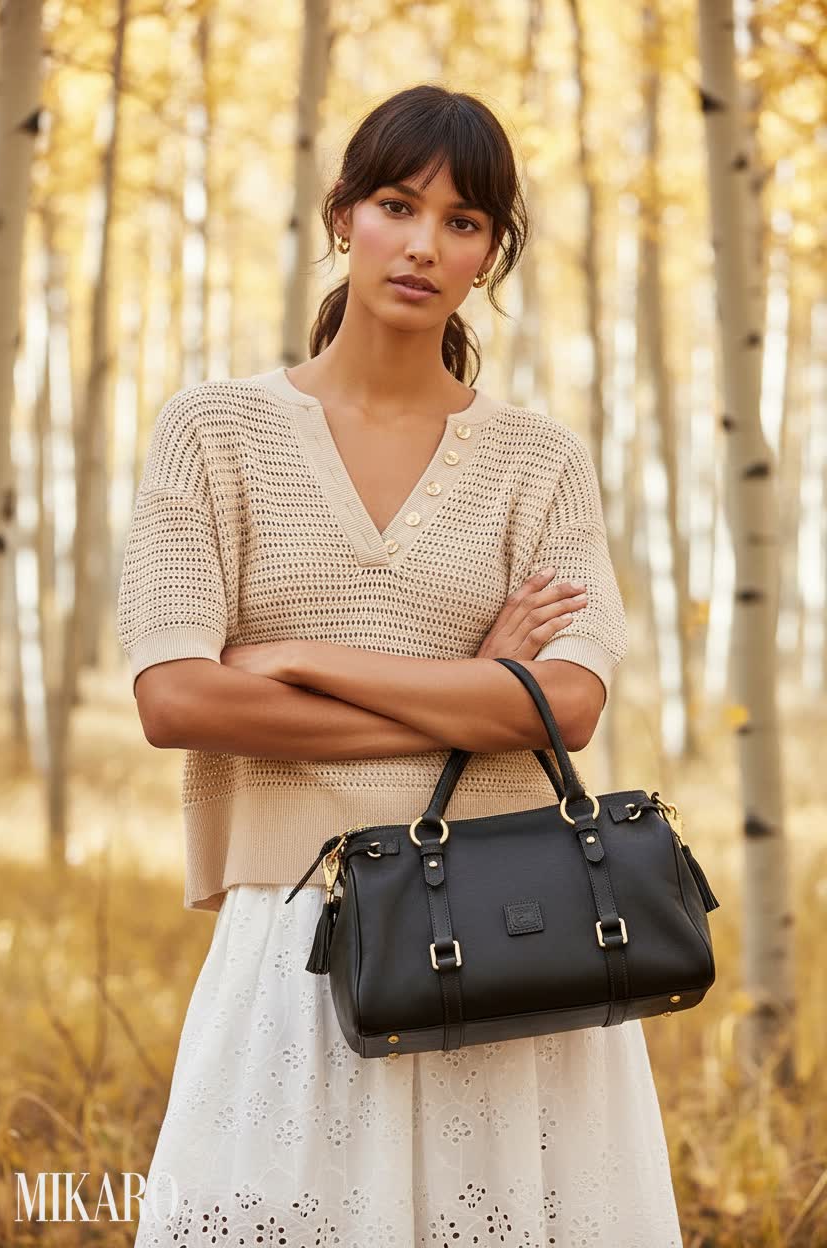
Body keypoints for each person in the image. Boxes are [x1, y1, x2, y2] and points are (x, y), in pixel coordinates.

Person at [119, 84, 683, 1246]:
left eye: (465, 221)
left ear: (492, 253)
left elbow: (566, 705)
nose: (425, 243)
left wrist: (293, 661)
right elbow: (176, 698)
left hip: (521, 950)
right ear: (343, 216)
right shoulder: (210, 433)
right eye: (395, 204)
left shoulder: (540, 463)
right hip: (297, 944)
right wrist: (477, 695)